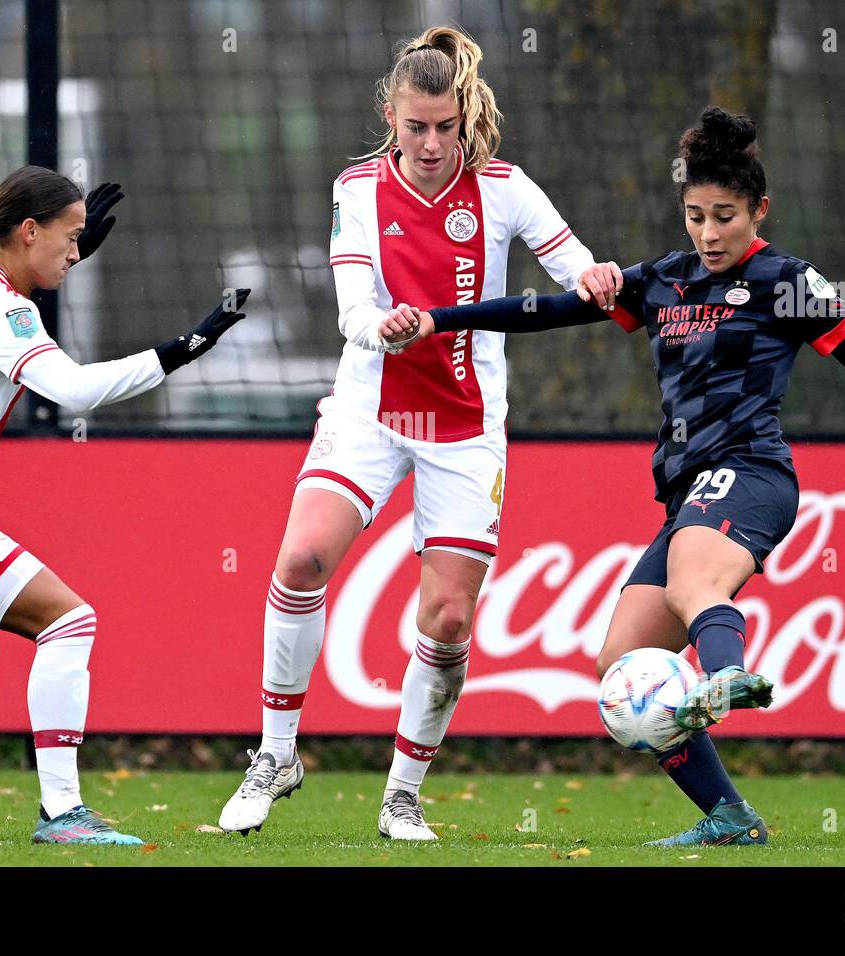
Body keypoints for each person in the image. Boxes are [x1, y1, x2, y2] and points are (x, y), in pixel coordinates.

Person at [381, 106, 845, 846]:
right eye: (695, 216)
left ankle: (728, 676)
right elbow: (547, 310)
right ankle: (730, 817)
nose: (709, 234)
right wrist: (440, 317)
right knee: (622, 666)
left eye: (725, 217)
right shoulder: (662, 281)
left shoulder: (786, 280)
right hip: (690, 492)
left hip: (752, 472)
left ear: (759, 211)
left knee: (694, 585)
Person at [218, 26, 621, 840]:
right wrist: (384, 329)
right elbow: (351, 308)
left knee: (445, 621)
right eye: (416, 127)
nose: (432, 144)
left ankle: (402, 792)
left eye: (446, 126)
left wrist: (596, 275)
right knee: (299, 558)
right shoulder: (357, 189)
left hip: (467, 429)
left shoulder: (504, 188)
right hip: (372, 410)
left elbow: (571, 261)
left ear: (465, 117)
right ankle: (275, 755)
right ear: (391, 119)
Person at [0, 165, 248, 845]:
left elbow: (9, 272)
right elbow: (76, 392)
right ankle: (63, 814)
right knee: (71, 622)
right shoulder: (1, 310)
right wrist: (187, 347)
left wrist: (58, 254)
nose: (75, 250)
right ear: (28, 230)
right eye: (68, 236)